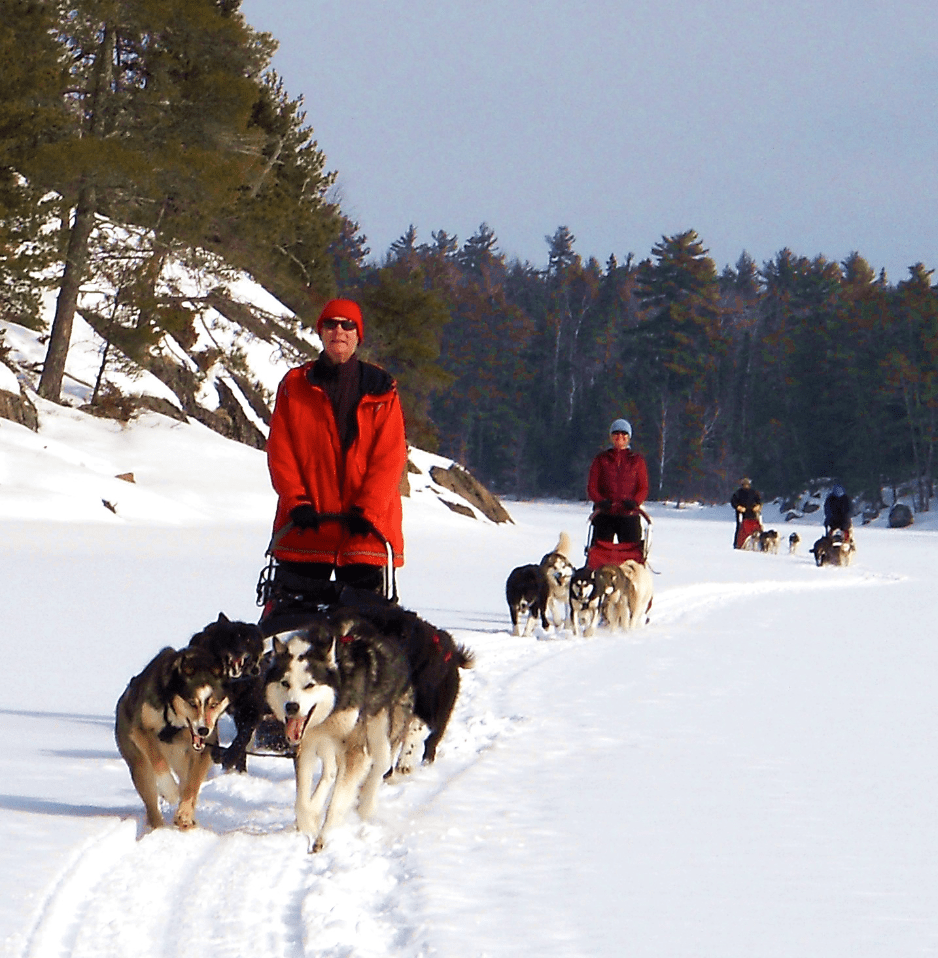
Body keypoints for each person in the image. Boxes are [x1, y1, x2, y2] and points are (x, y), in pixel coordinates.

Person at [265, 297, 408, 599]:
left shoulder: (382, 389)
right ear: (320, 332)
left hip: (367, 533)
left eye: (348, 325)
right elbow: (281, 451)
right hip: (305, 528)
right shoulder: (294, 385)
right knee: (294, 630)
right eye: (330, 324)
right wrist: (297, 503)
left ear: (358, 334)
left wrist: (368, 511)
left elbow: (389, 458)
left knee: (365, 633)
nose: (339, 331)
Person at [587, 418, 649, 560]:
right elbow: (592, 486)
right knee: (598, 556)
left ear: (629, 437)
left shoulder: (637, 460)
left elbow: (643, 487)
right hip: (605, 514)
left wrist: (635, 502)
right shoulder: (601, 459)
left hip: (629, 514)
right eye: (616, 434)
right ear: (611, 436)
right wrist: (600, 501)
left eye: (623, 434)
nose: (620, 437)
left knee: (632, 558)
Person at [731, 477, 762, 549]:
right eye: (744, 484)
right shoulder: (738, 493)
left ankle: (759, 545)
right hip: (742, 514)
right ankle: (738, 544)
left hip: (753, 513)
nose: (746, 486)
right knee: (740, 529)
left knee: (756, 529)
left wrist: (758, 506)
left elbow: (759, 501)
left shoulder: (754, 492)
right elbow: (733, 501)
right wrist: (738, 507)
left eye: (747, 484)